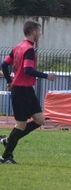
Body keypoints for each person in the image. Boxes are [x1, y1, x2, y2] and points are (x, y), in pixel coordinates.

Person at [1, 20, 52, 164]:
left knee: (40, 120)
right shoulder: (29, 49)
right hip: (22, 91)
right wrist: (46, 76)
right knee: (21, 125)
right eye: (39, 31)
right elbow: (28, 69)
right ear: (33, 32)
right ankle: (5, 157)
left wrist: (9, 81)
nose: (40, 34)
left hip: (26, 90)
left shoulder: (18, 47)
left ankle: (8, 140)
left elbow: (4, 65)